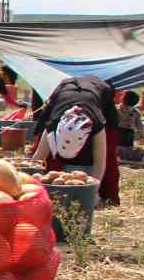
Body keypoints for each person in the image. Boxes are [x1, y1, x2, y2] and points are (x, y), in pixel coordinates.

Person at [31, 74, 120, 205]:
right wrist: (29, 186)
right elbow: (38, 158)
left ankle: (109, 196)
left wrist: (93, 192)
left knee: (109, 149)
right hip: (65, 89)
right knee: (47, 155)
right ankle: (51, 191)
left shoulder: (96, 124)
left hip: (99, 90)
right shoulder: (54, 122)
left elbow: (100, 161)